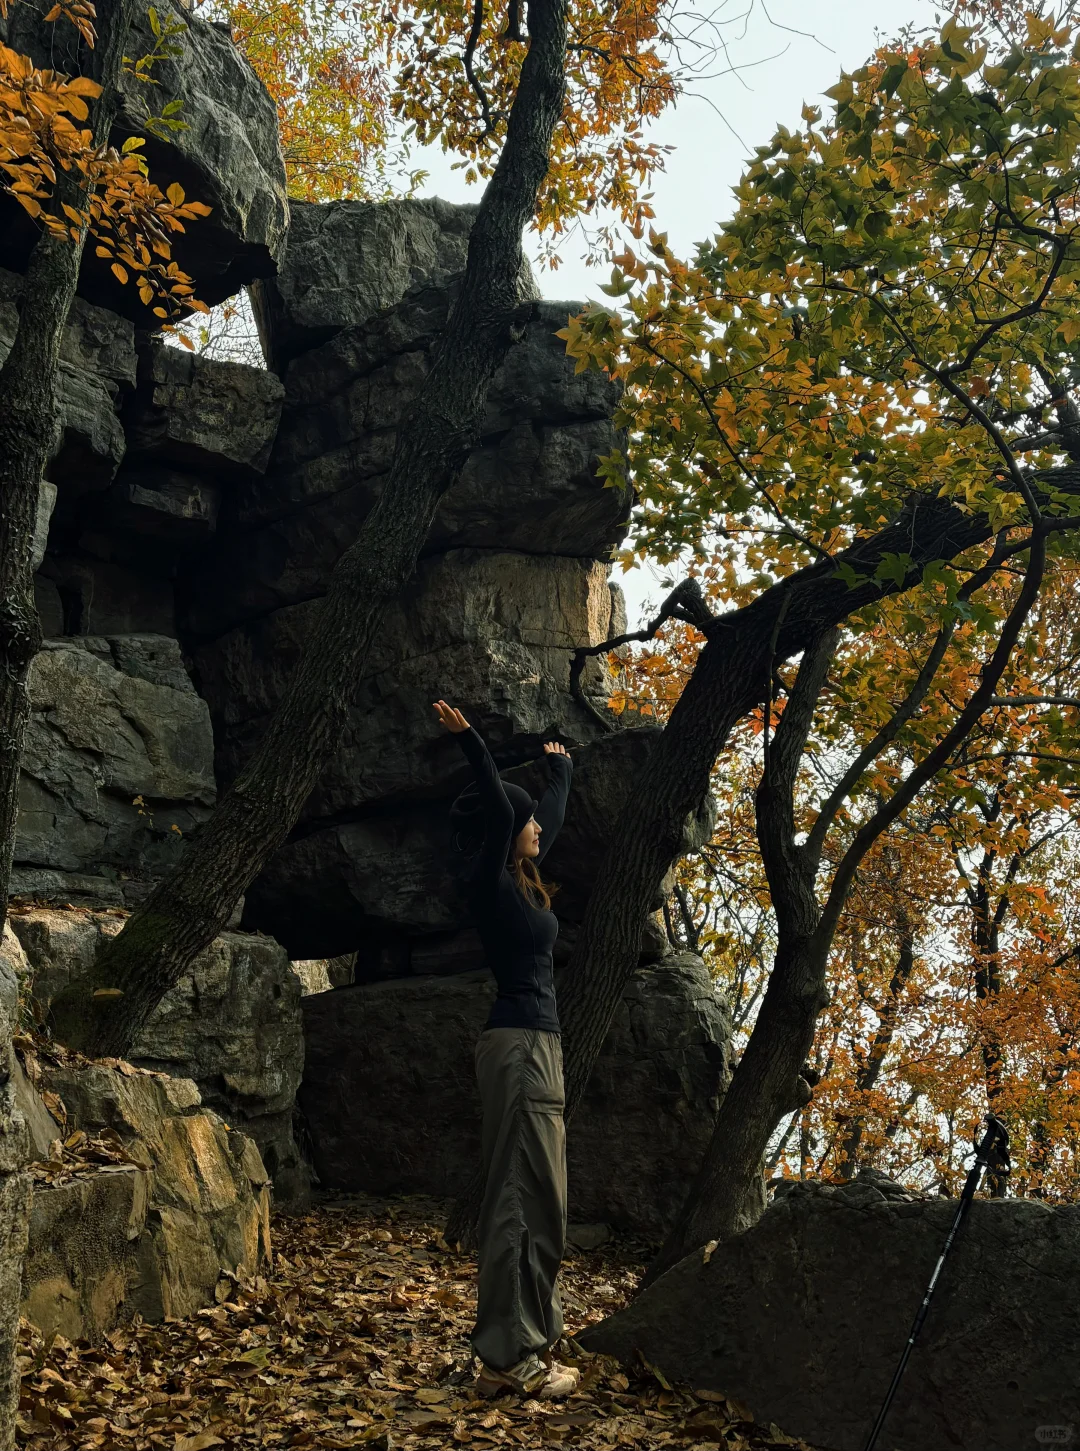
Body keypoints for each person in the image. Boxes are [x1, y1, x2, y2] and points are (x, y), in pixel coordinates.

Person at [433, 698, 580, 1401]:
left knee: (546, 1201)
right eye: (521, 822)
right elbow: (503, 809)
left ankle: (532, 1339)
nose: (533, 830)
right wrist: (474, 746)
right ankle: (506, 1355)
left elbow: (540, 817)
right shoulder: (491, 887)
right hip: (518, 1045)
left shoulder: (523, 877)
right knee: (517, 1198)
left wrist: (562, 771)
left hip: (539, 1048)